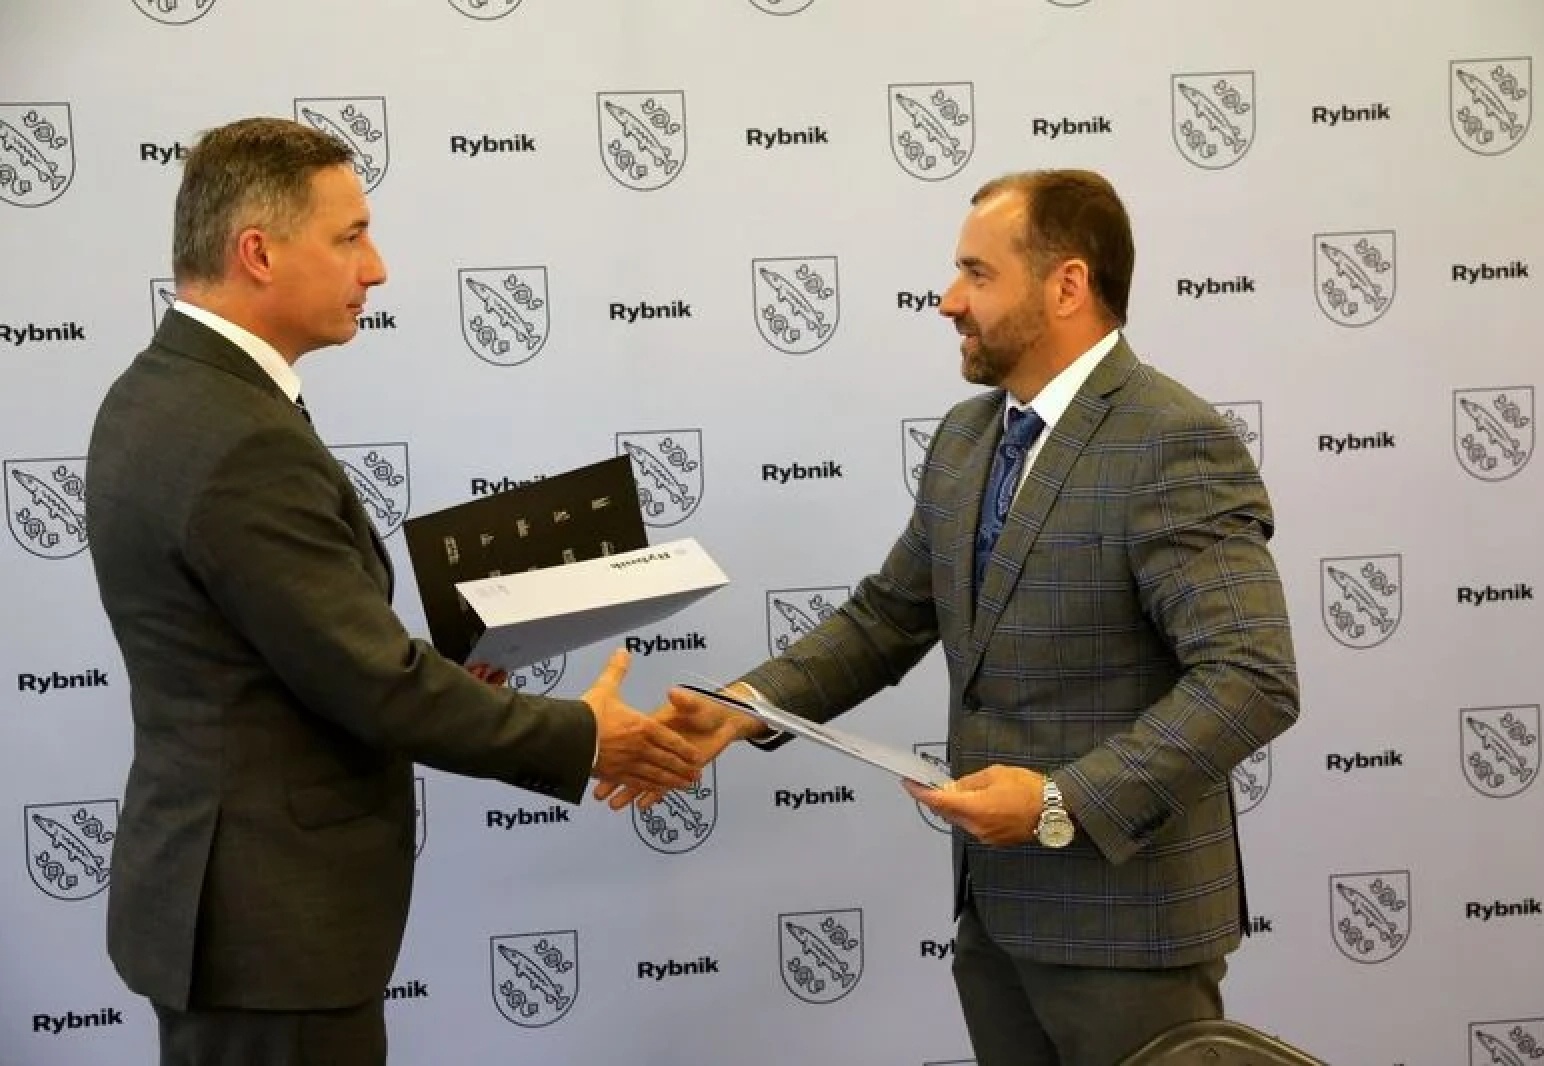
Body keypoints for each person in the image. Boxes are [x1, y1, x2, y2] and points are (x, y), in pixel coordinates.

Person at [610, 169, 1301, 1066]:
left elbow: (1251, 678)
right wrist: (746, 706)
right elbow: (889, 616)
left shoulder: (1170, 440)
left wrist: (1058, 803)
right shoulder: (967, 438)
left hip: (1126, 932)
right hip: (994, 921)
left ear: (1067, 285)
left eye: (977, 274)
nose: (948, 300)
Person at [84, 116, 699, 1066]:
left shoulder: (162, 389)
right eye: (350, 238)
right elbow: (373, 684)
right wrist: (585, 737)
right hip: (269, 934)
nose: (376, 269)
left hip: (233, 915)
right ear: (258, 253)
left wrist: (450, 676)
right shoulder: (239, 436)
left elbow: (297, 650)